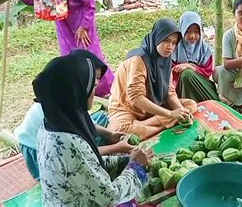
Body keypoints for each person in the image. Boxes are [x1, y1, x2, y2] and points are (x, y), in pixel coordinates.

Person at [34, 55, 153, 206]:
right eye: (92, 86)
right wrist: (136, 166)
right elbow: (110, 196)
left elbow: (88, 165)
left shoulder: (50, 127)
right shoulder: (68, 143)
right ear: (76, 91)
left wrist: (124, 161)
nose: (94, 92)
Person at [4, 0, 114, 97]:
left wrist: (84, 26)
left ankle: (105, 91)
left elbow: (89, 3)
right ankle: (82, 94)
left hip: (81, 23)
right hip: (63, 24)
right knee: (70, 60)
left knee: (91, 58)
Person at [14, 50, 133, 181]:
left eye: (98, 78)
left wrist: (109, 134)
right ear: (78, 79)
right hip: (36, 153)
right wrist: (118, 149)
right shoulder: (61, 125)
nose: (96, 85)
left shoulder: (67, 97)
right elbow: (84, 156)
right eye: (93, 81)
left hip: (64, 148)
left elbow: (86, 122)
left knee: (101, 118)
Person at [108, 19, 197, 140]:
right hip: (127, 110)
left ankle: (147, 127)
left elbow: (169, 92)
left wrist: (180, 111)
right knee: (118, 131)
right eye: (166, 41)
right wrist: (170, 114)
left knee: (190, 106)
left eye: (174, 43)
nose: (170, 47)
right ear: (157, 38)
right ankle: (159, 127)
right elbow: (136, 98)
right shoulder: (138, 59)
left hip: (153, 109)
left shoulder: (166, 60)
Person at [171, 11, 219, 102]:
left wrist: (189, 66)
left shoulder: (204, 50)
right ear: (182, 30)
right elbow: (169, 73)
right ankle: (187, 104)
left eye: (196, 32)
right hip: (178, 89)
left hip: (200, 87)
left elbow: (207, 73)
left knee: (188, 73)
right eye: (188, 31)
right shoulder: (174, 49)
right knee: (186, 74)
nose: (192, 36)